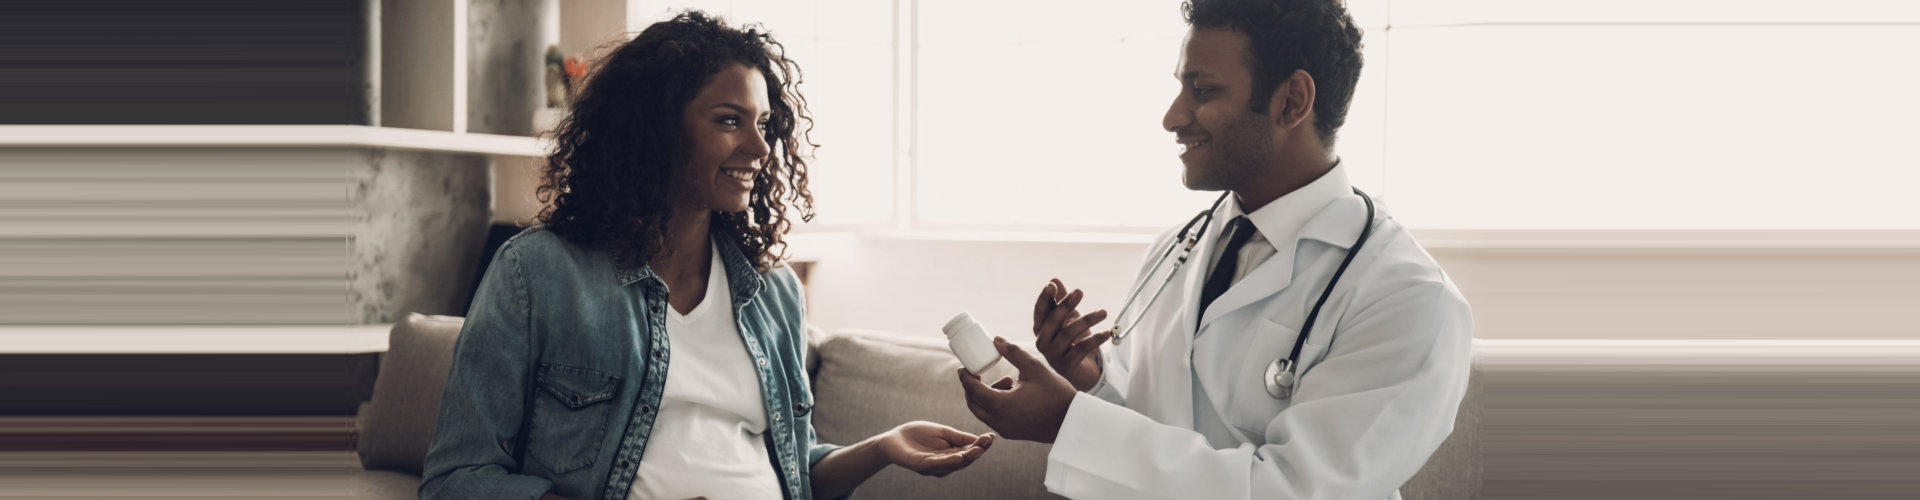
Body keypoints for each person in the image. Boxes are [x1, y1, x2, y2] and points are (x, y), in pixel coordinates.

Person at [420, 12, 992, 500]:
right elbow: (457, 478)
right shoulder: (539, 273)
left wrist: (885, 447)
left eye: (764, 124)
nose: (760, 148)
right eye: (729, 120)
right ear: (656, 129)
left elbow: (789, 470)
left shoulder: (775, 292)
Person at [956, 1, 1472, 498]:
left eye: (1201, 90)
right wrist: (1089, 384)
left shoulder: (1410, 300)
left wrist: (1069, 424)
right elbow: (1158, 425)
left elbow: (1293, 492)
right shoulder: (1177, 247)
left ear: (1292, 101)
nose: (1173, 117)